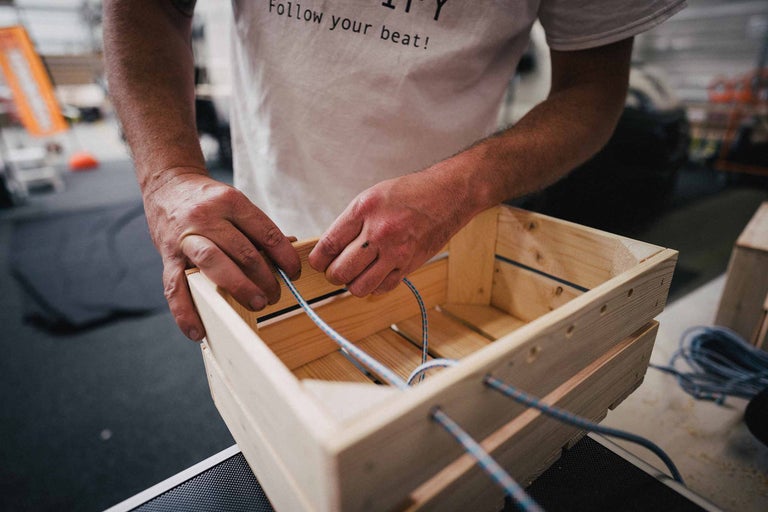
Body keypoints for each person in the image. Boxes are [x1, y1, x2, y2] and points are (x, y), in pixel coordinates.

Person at [103, 0, 685, 342]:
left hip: (446, 248)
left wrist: (462, 188)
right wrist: (168, 178)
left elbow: (592, 89)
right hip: (263, 230)